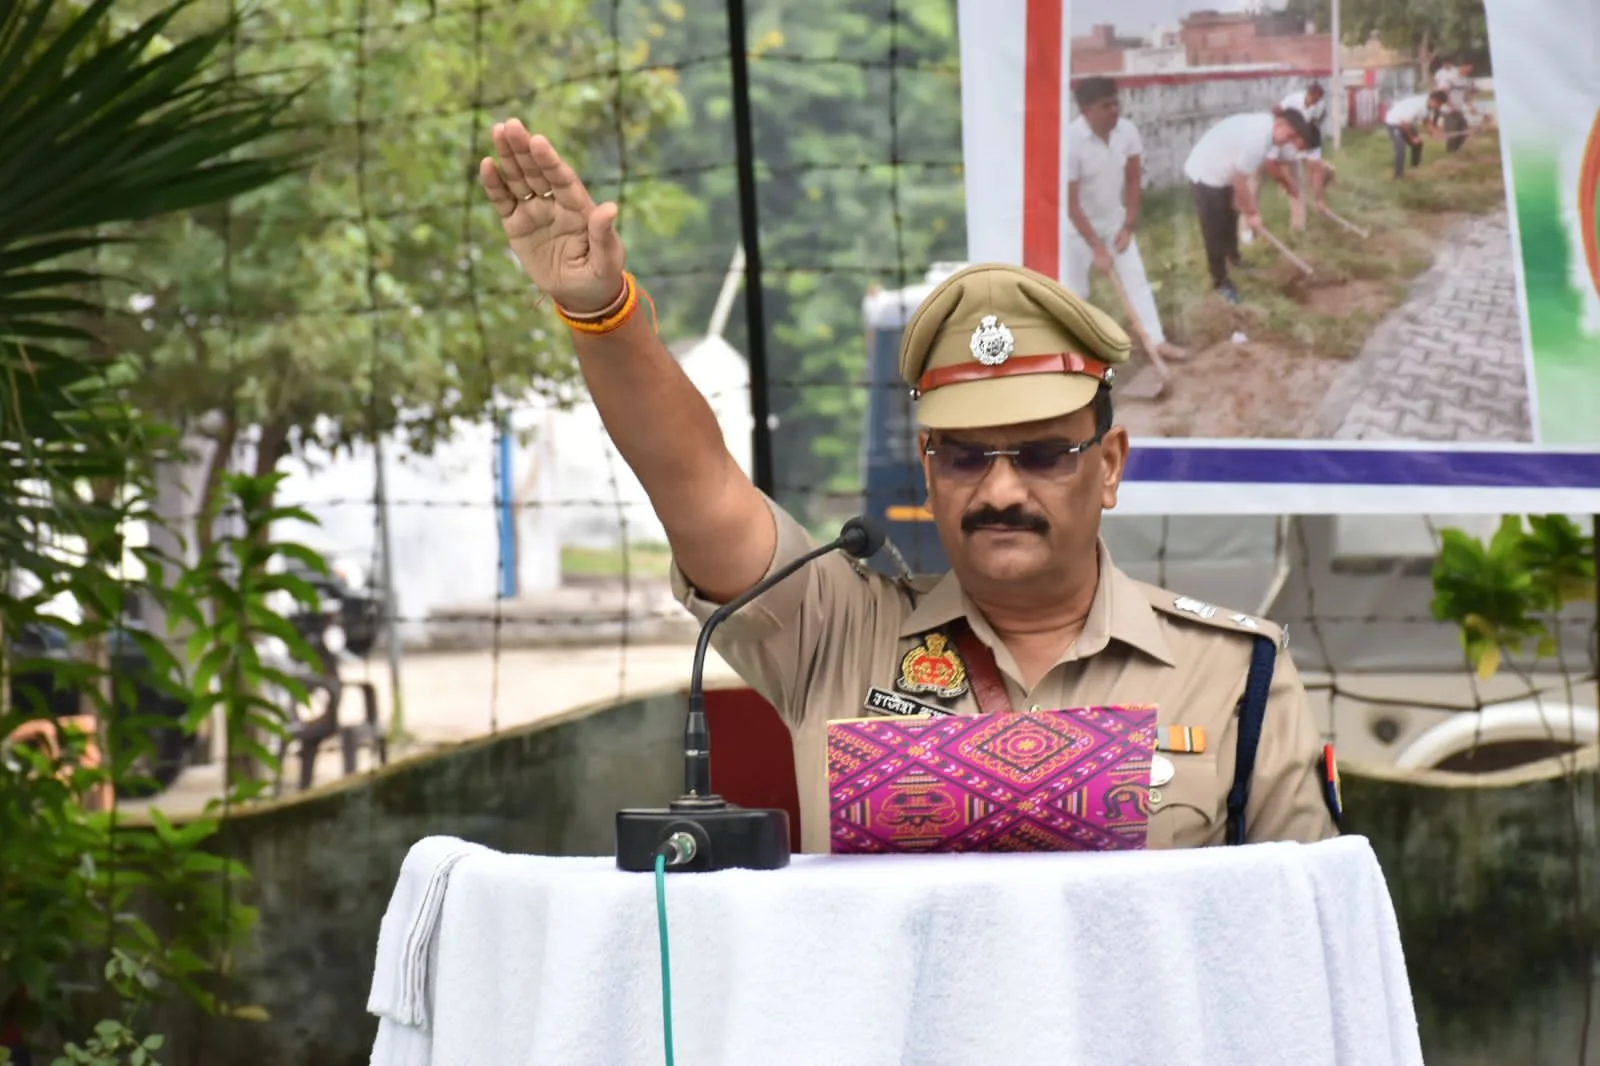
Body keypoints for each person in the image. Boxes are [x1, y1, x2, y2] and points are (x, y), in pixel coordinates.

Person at [477, 119, 1341, 856]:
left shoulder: (1236, 676)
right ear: (928, 471)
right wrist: (604, 316)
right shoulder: (835, 633)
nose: (1001, 488)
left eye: (1043, 454)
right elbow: (697, 486)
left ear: (1109, 464)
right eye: (965, 456)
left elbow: (1300, 949)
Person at [1064, 77, 1186, 366]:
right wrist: (1096, 249)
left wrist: (1128, 225)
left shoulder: (1127, 132)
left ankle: (1156, 342)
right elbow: (1070, 204)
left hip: (1114, 222)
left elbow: (1133, 178)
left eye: (1116, 103)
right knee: (1075, 293)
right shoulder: (1070, 142)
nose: (1115, 110)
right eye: (1107, 106)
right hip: (1075, 231)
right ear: (1087, 110)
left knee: (1137, 280)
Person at [1182, 109, 1313, 304]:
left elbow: (1263, 166)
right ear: (1280, 123)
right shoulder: (1258, 139)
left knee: (1231, 215)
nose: (1289, 141)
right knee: (1214, 228)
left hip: (1225, 169)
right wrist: (1252, 213)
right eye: (1289, 135)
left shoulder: (1268, 131)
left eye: (1293, 138)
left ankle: (1234, 259)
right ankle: (1220, 281)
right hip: (1207, 172)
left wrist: (1245, 204)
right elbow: (1240, 181)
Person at [1385, 90, 1448, 179]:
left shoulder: (1427, 104)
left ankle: (1415, 167)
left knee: (1418, 143)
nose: (1438, 107)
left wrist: (1434, 132)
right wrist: (1412, 138)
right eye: (1439, 104)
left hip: (1405, 122)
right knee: (1401, 148)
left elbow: (1425, 120)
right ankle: (1398, 176)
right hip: (1394, 122)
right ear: (1433, 100)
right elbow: (1404, 124)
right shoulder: (1418, 106)